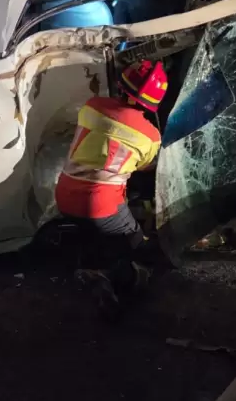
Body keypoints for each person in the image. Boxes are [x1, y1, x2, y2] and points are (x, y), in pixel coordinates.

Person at [53, 59, 168, 316]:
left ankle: (89, 264)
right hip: (100, 204)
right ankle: (111, 277)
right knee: (135, 242)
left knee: (92, 233)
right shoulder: (151, 137)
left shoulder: (92, 107)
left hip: (64, 195)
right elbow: (145, 168)